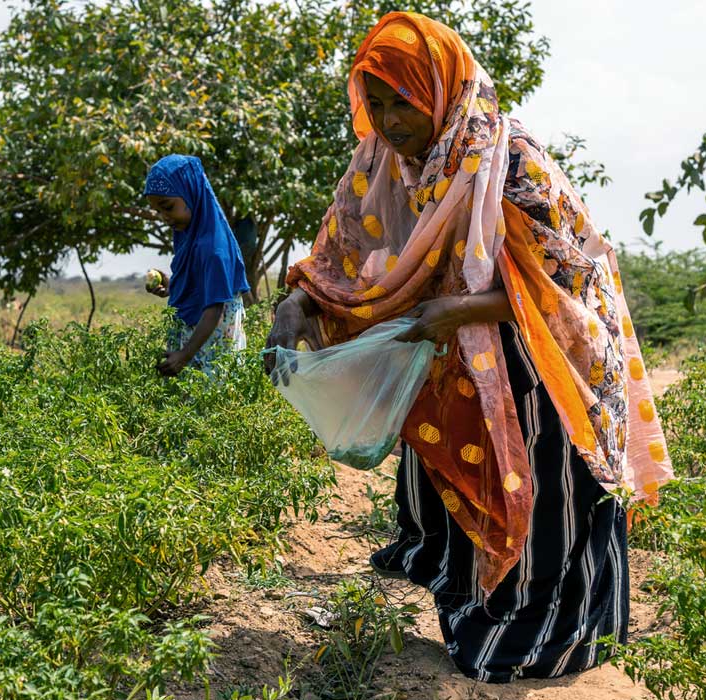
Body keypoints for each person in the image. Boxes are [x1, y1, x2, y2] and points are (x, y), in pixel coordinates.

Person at [265, 12, 673, 683]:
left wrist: (463, 308)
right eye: (378, 104)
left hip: (538, 361)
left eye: (407, 100)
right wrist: (296, 304)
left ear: (443, 87)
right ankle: (476, 596)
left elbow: (570, 281)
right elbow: (338, 254)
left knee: (547, 498)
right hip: (454, 352)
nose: (394, 121)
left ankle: (556, 637)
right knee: (466, 488)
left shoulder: (509, 162)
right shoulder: (379, 164)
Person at [144, 154, 250, 377]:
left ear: (190, 192)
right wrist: (173, 286)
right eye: (158, 211)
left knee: (211, 404)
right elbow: (203, 289)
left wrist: (184, 355)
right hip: (196, 347)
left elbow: (214, 307)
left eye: (168, 207)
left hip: (210, 352)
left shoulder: (213, 247)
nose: (164, 217)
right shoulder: (191, 238)